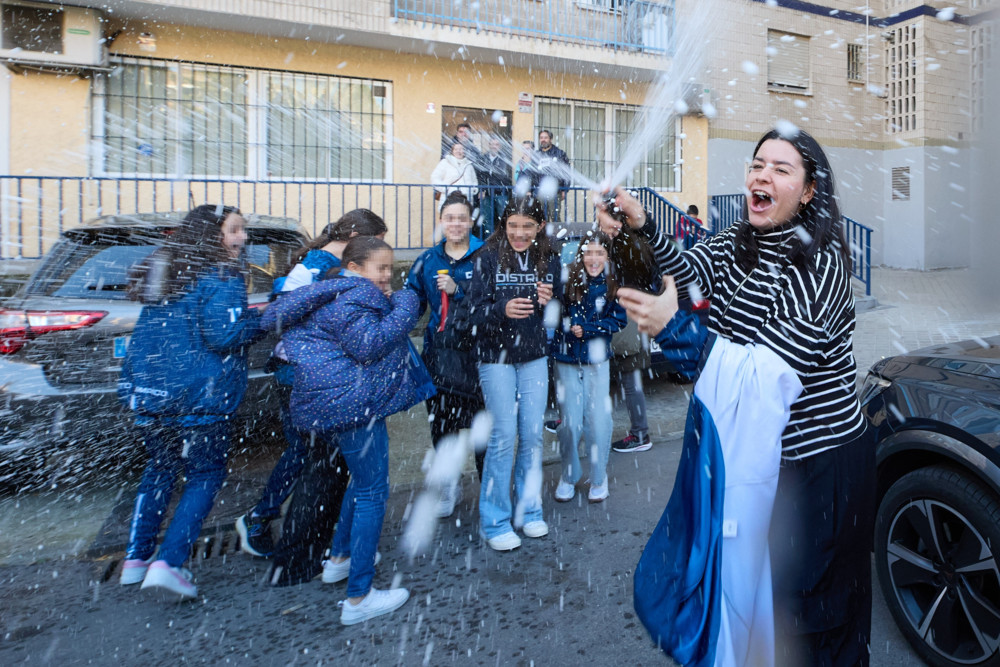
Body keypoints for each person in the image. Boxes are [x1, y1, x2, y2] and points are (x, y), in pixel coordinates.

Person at [608, 128, 874, 665]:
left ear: (808, 191)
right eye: (758, 164)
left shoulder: (821, 265)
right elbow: (690, 274)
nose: (762, 176)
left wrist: (675, 331)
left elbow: (763, 380)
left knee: (816, 612)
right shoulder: (739, 240)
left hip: (819, 466)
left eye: (781, 168)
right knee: (766, 600)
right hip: (760, 457)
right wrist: (643, 226)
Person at [261, 235, 434, 624]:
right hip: (356, 409)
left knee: (359, 483)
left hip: (340, 406)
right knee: (373, 492)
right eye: (381, 269)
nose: (388, 276)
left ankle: (340, 558)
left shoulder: (334, 292)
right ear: (355, 268)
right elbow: (369, 344)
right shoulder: (355, 296)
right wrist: (407, 303)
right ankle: (359, 597)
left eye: (391, 268)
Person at [117, 204, 264, 600]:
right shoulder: (222, 276)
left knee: (160, 471)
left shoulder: (168, 271)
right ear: (211, 235)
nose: (242, 238)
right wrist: (260, 321)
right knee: (205, 474)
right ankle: (170, 562)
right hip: (199, 399)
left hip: (152, 394)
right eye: (234, 230)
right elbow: (223, 337)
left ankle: (136, 560)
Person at [235, 209, 387, 559]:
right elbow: (281, 315)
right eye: (374, 241)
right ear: (354, 237)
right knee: (312, 453)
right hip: (301, 375)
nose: (378, 250)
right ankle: (273, 524)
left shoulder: (335, 265)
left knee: (323, 455)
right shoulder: (313, 267)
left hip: (322, 376)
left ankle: (326, 539)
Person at [467, 194, 559, 551]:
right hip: (496, 358)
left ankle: (530, 511)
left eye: (528, 227)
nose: (520, 234)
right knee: (503, 436)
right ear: (503, 226)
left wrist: (552, 302)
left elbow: (559, 311)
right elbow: (473, 314)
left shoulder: (547, 259)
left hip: (534, 355)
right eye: (513, 226)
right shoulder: (486, 259)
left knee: (533, 437)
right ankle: (495, 521)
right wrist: (501, 308)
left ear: (539, 227)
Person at [405, 191, 486, 517]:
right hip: (440, 357)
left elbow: (494, 304)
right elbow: (411, 303)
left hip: (480, 356)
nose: (456, 224)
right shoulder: (427, 260)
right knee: (443, 430)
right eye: (449, 218)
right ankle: (448, 487)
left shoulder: (487, 256)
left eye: (462, 218)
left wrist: (460, 290)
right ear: (441, 221)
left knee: (483, 432)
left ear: (471, 221)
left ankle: (490, 493)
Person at [551, 231, 627, 503]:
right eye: (589, 252)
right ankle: (569, 474)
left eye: (599, 253)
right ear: (580, 255)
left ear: (607, 257)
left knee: (597, 422)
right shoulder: (566, 279)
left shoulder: (613, 284)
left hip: (597, 360)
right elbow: (552, 312)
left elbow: (619, 321)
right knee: (570, 422)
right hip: (567, 359)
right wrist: (565, 327)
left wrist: (591, 329)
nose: (593, 259)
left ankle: (598, 476)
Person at [475, 137, 512, 239]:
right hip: (486, 193)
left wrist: (503, 188)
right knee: (487, 220)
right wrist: (482, 189)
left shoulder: (504, 159)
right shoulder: (483, 158)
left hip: (501, 193)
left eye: (496, 144)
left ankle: (504, 240)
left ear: (499, 146)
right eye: (492, 144)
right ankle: (489, 241)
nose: (494, 146)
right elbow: (480, 175)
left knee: (503, 218)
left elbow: (506, 176)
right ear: (489, 145)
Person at [431, 141, 479, 213]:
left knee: (464, 218)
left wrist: (472, 190)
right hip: (449, 197)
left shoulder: (469, 165)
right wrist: (444, 188)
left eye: (461, 149)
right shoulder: (445, 163)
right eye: (456, 149)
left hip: (466, 199)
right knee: (449, 218)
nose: (458, 151)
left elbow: (474, 180)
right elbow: (434, 177)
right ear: (452, 151)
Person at [535, 129, 570, 222]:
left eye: (545, 137)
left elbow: (566, 173)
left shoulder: (559, 154)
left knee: (554, 216)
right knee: (540, 216)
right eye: (541, 138)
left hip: (555, 190)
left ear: (550, 139)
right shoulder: (536, 154)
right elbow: (532, 173)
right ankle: (543, 236)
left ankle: (557, 236)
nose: (543, 140)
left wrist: (564, 190)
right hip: (540, 191)